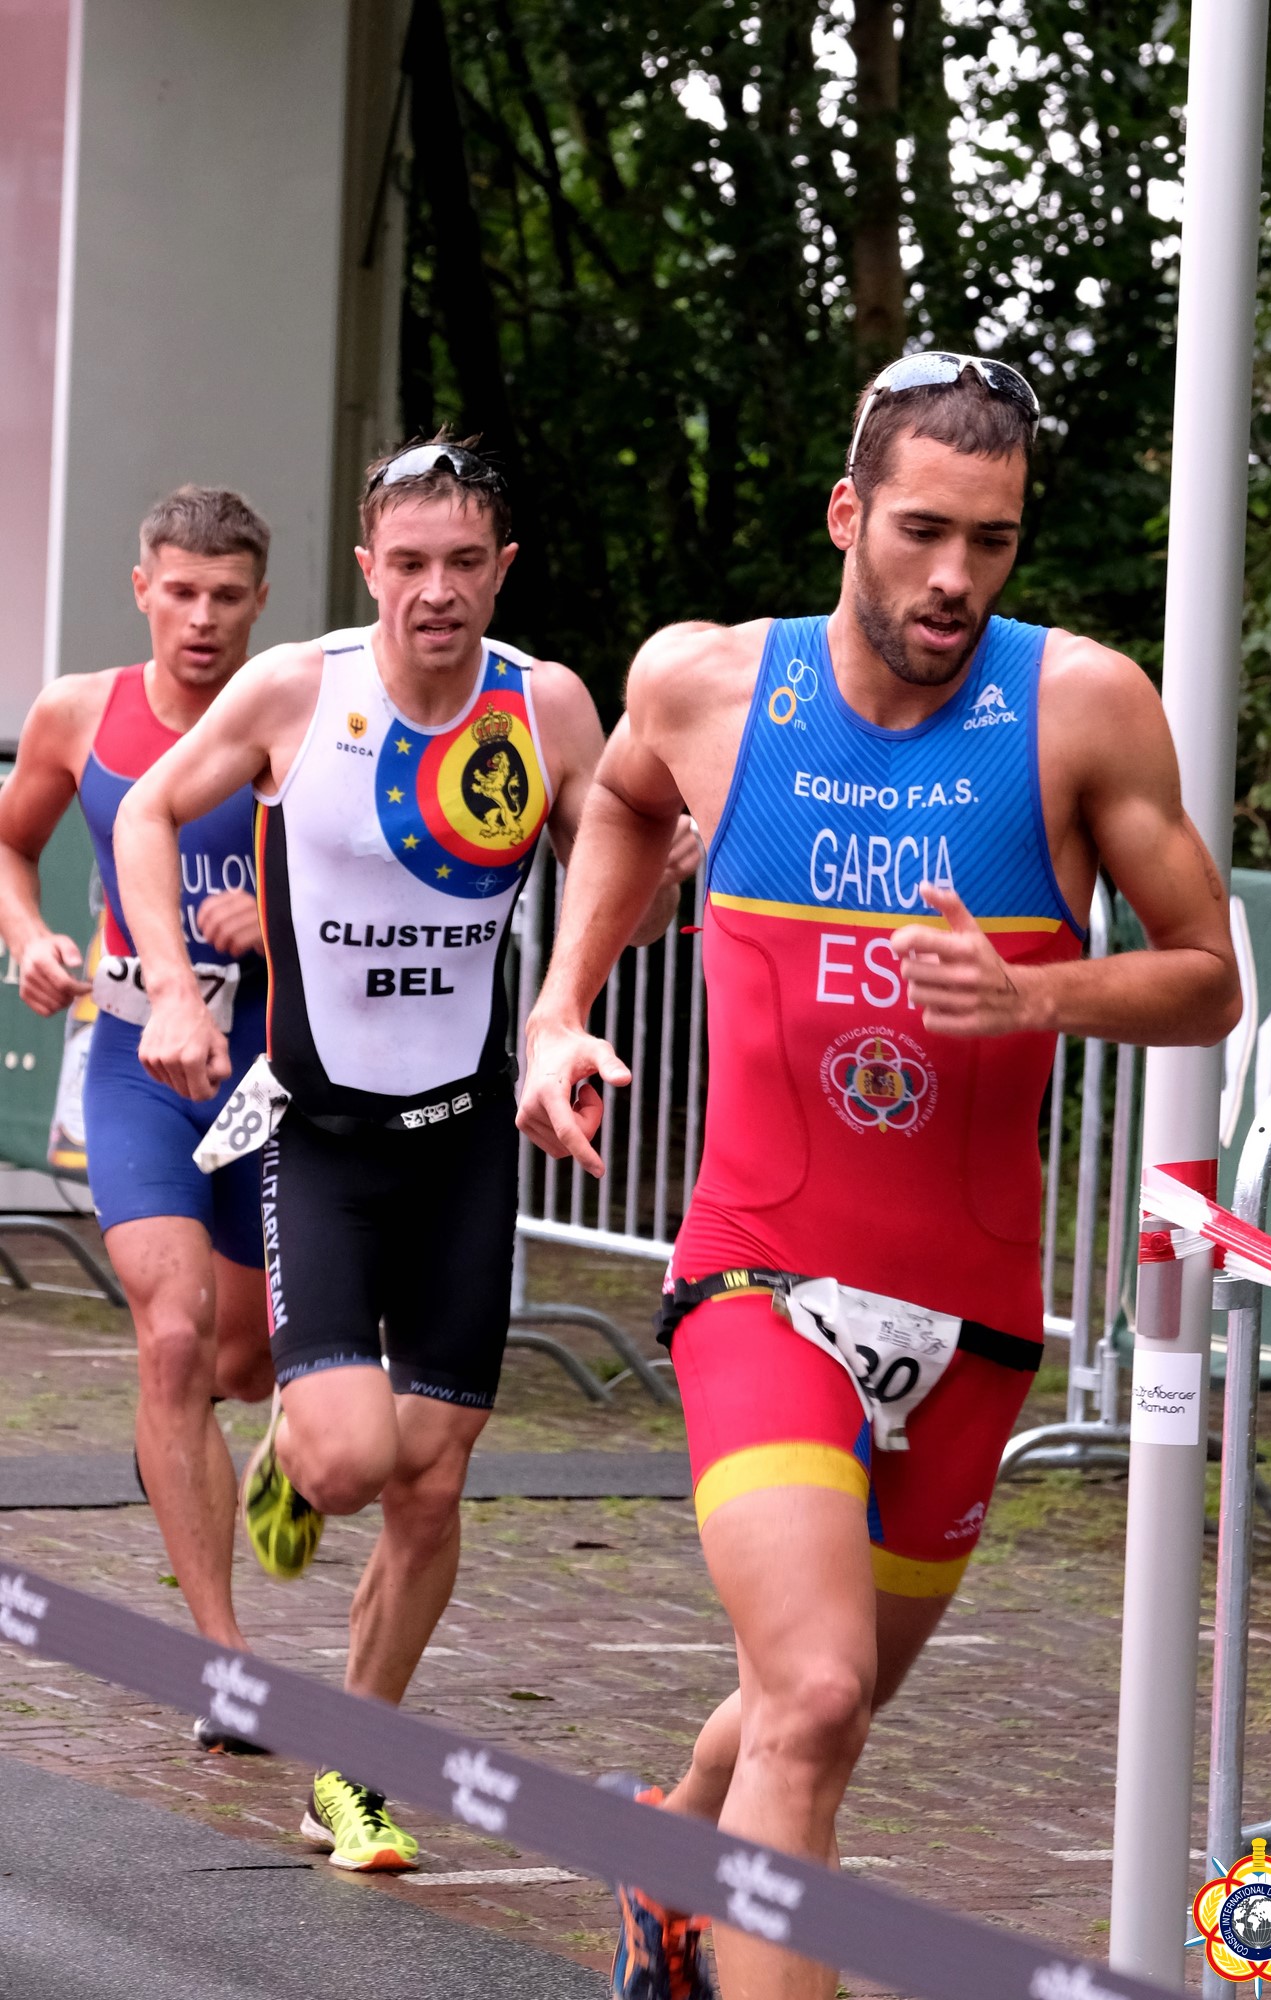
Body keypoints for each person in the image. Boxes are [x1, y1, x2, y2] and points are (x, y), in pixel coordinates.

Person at [517, 356, 1242, 2000]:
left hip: (970, 1313)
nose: (952, 582)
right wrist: (560, 1007)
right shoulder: (707, 684)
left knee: (803, 1701)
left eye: (990, 543)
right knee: (819, 1704)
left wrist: (1038, 990)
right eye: (920, 534)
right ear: (847, 514)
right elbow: (623, 803)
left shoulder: (1079, 709)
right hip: (759, 1274)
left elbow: (1206, 974)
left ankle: (667, 1860)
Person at [114, 436, 696, 1873]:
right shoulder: (298, 692)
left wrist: (668, 887)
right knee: (356, 1456)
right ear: (368, 566)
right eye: (409, 564)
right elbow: (141, 810)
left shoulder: (545, 704)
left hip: (465, 1146)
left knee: (432, 1485)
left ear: (501, 569)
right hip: (316, 1141)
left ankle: (351, 1769)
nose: (436, 593)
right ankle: (293, 1459)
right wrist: (180, 988)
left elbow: (614, 862)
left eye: (464, 565)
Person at [0, 487, 275, 1733]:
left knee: (247, 1358)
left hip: (272, 1067)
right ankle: (223, 1660)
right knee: (171, 1339)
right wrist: (33, 937)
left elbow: (383, 866)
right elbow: (12, 846)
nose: (203, 619)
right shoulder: (77, 711)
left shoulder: (297, 712)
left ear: (259, 599)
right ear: (143, 588)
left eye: (227, 595)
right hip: (135, 1059)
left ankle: (271, 1460)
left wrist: (278, 924)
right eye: (182, 592)